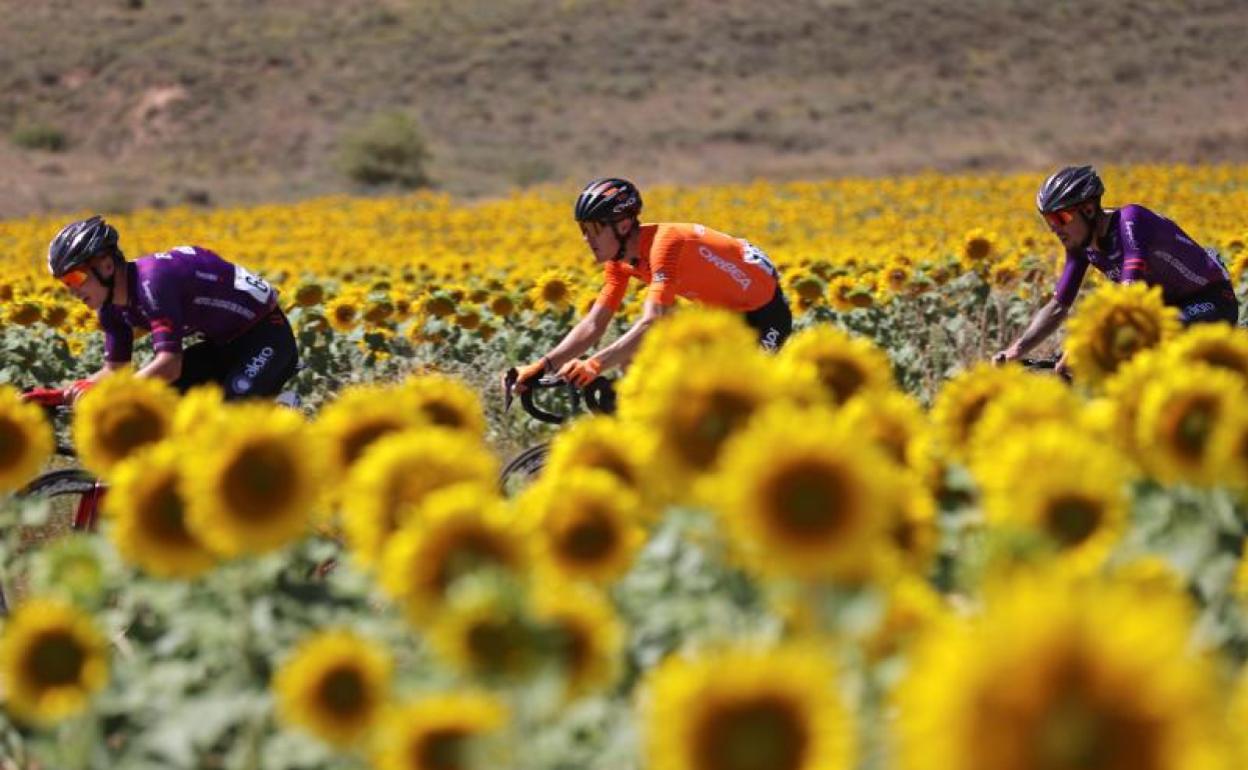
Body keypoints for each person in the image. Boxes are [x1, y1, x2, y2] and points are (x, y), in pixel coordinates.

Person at [507, 177, 792, 392]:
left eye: (594, 229)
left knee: (727, 396)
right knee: (639, 367)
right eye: (583, 230)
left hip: (765, 316)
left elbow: (653, 321)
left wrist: (594, 364)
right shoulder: (619, 263)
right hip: (721, 317)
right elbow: (594, 324)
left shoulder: (665, 245)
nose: (586, 239)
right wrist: (544, 365)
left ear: (622, 225)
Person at [994, 165, 1238, 370]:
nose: (1054, 228)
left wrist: (1081, 347)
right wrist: (1016, 350)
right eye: (1048, 220)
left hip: (1212, 299)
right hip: (1164, 310)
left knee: (1147, 346)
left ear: (1088, 209)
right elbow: (1058, 306)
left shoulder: (1131, 221)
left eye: (1060, 218)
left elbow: (1126, 296)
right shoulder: (1081, 247)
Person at [47, 215, 298, 402]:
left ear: (106, 266)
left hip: (267, 338)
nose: (71, 289)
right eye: (65, 283)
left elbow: (169, 366)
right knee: (164, 403)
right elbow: (114, 371)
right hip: (222, 345)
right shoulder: (111, 309)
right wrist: (59, 395)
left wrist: (112, 395)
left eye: (75, 278)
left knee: (224, 416)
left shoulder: (153, 282)